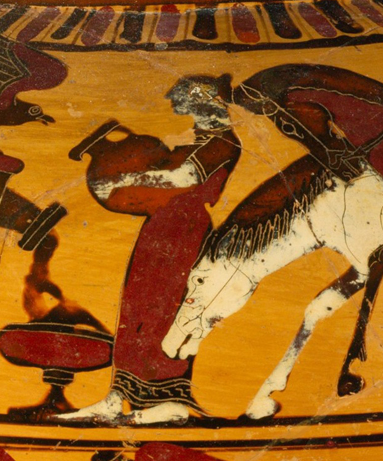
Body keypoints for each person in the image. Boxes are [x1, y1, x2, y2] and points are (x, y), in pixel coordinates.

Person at [57, 74, 242, 425]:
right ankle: (118, 396)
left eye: (188, 105)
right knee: (135, 312)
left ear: (206, 103)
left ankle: (168, 402)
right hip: (160, 227)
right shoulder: (197, 141)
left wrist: (125, 180)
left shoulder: (222, 143)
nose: (185, 113)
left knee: (165, 314)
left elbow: (182, 179)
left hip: (185, 231)